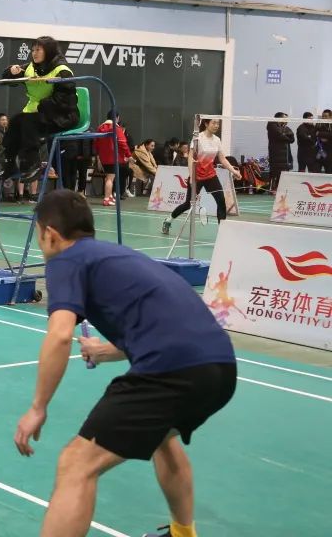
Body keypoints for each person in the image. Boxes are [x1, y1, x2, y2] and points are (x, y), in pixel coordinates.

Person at [14, 190, 236, 537]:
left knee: (76, 464)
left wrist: (38, 407)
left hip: (170, 371)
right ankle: (183, 534)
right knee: (162, 437)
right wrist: (108, 351)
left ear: (51, 235)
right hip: (219, 367)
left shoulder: (64, 261)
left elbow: (59, 335)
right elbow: (164, 319)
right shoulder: (117, 254)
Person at [0, 36, 79, 181]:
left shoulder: (62, 71)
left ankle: (32, 165)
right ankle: (9, 164)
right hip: (39, 113)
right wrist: (12, 71)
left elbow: (66, 101)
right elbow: (6, 78)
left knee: (29, 123)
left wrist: (42, 106)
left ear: (48, 51)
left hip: (62, 115)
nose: (34, 53)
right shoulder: (31, 67)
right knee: (16, 121)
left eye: (38, 50)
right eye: (33, 50)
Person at [162, 119, 241, 234]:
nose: (216, 125)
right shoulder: (197, 138)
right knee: (188, 204)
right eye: (214, 123)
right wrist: (192, 176)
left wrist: (234, 171)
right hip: (197, 176)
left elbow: (222, 159)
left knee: (221, 202)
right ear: (206, 124)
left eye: (218, 123)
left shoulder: (217, 140)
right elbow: (190, 158)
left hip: (211, 176)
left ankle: (222, 231)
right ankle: (168, 220)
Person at [93, 112, 131, 207]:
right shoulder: (116, 128)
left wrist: (98, 155)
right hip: (113, 157)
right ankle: (106, 199)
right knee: (110, 178)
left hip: (103, 157)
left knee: (108, 177)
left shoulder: (100, 128)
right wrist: (128, 155)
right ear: (117, 118)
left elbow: (96, 143)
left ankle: (109, 196)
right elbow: (122, 142)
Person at [265, 112, 294, 191]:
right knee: (275, 172)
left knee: (283, 174)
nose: (286, 120)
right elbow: (279, 135)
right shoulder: (272, 125)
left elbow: (292, 139)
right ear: (279, 118)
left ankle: (279, 189)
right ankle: (272, 189)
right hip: (276, 154)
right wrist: (286, 136)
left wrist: (285, 134)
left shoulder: (285, 127)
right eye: (284, 118)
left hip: (285, 155)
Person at [319, 109, 332, 173]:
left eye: (326, 116)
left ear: (330, 117)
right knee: (316, 173)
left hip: (330, 154)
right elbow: (314, 133)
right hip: (319, 153)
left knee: (329, 172)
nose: (324, 118)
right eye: (323, 116)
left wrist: (320, 134)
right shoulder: (319, 124)